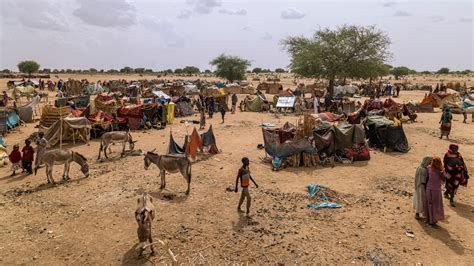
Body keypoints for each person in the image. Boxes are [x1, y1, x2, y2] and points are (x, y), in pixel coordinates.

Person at [425, 157, 445, 225]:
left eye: (437, 162)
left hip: (436, 190)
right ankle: (429, 219)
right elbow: (427, 178)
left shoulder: (442, 170)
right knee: (429, 204)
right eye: (435, 162)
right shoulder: (429, 168)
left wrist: (440, 173)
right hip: (429, 188)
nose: (436, 164)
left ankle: (434, 219)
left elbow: (444, 180)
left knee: (435, 205)